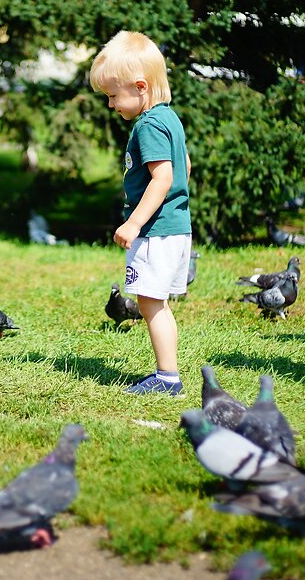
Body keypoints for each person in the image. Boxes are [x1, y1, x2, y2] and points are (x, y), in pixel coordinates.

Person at [89, 31, 192, 396]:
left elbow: (162, 178)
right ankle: (168, 373)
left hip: (157, 230)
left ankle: (167, 377)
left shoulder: (147, 125)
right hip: (176, 227)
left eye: (113, 95)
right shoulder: (170, 119)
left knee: (151, 304)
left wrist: (135, 222)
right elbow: (184, 167)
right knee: (157, 303)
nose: (111, 104)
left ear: (140, 87)